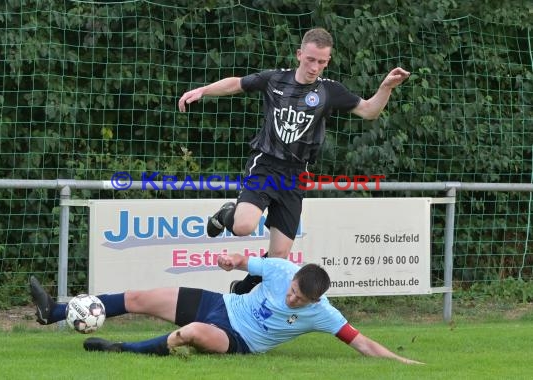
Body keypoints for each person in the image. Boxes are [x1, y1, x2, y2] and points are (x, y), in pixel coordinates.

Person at [178, 27, 410, 294]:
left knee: (278, 258)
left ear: (328, 61)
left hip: (296, 175)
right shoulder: (275, 79)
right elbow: (237, 83)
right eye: (310, 59)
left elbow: (369, 111)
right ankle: (225, 214)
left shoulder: (329, 91)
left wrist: (385, 87)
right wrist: (203, 90)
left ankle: (241, 290)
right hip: (266, 164)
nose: (315, 67)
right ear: (300, 54)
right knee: (243, 226)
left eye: (321, 62)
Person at [29, 255, 423, 364]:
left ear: (314, 302)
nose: (292, 299)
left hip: (237, 339)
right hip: (221, 303)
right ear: (294, 278)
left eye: (299, 301)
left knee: (193, 334)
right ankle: (56, 312)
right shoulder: (282, 270)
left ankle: (122, 350)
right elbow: (245, 261)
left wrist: (403, 363)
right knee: (139, 298)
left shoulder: (324, 314)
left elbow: (363, 343)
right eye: (292, 292)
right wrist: (232, 261)